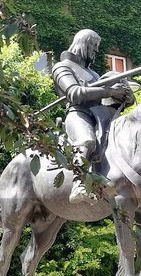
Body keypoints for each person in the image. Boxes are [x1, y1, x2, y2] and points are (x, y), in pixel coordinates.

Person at [49, 28, 135, 193]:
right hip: (79, 114)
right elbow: (74, 93)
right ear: (83, 44)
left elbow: (105, 98)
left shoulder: (95, 74)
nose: (96, 50)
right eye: (93, 45)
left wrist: (122, 95)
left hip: (102, 117)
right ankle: (79, 183)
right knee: (87, 140)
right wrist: (109, 91)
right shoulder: (62, 67)